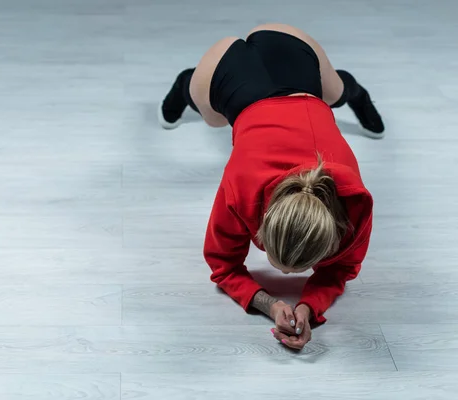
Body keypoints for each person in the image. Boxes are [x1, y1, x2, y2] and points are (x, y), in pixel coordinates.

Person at [158, 23, 382, 351]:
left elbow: (343, 268)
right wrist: (274, 303)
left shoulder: (353, 207)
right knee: (214, 118)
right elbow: (222, 265)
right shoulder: (241, 186)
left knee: (334, 94)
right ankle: (185, 84)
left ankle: (355, 93)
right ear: (260, 221)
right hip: (232, 70)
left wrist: (297, 307)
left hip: (293, 60)